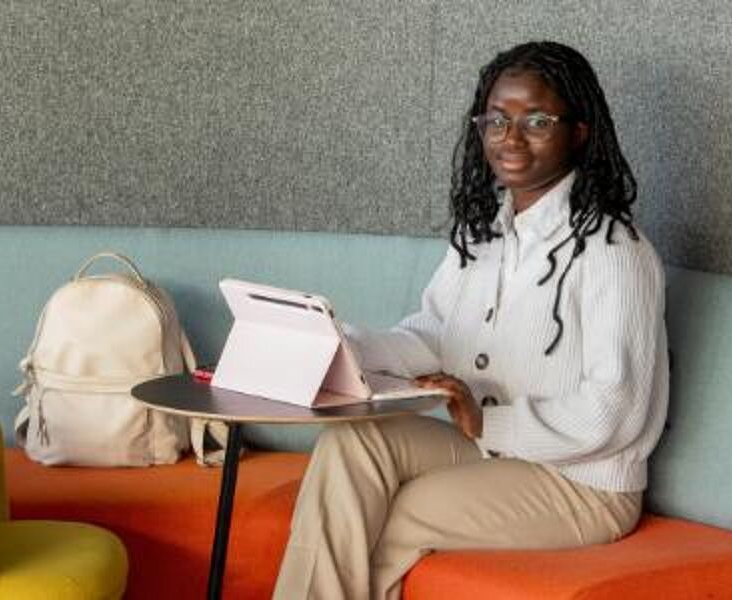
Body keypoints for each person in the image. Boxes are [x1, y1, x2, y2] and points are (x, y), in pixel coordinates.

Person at [271, 41, 669, 600]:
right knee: (351, 444)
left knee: (403, 512)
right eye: (497, 120)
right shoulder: (485, 237)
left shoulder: (613, 250)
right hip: (495, 452)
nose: (510, 138)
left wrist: (488, 422)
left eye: (536, 121)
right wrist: (341, 350)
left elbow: (616, 411)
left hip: (583, 485)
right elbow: (433, 336)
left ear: (579, 131)